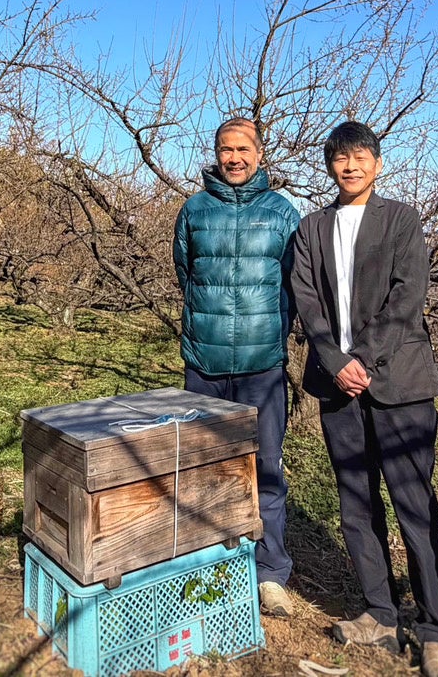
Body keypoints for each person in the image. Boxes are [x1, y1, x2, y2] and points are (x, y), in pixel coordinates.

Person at [291, 121, 438, 677]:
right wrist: (335, 361)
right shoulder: (312, 227)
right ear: (329, 165)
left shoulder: (402, 219)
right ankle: (380, 615)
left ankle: (436, 630)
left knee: (415, 505)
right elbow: (306, 298)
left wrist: (362, 358)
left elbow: (408, 295)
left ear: (377, 163)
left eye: (360, 157)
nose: (350, 167)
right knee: (356, 505)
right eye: (340, 159)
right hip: (338, 386)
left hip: (399, 385)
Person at [173, 116, 299, 618]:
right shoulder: (194, 209)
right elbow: (186, 272)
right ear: (216, 154)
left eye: (244, 148)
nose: (235, 158)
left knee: (265, 468)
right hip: (203, 363)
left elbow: (295, 284)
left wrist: (269, 332)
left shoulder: (283, 213)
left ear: (260, 153)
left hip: (261, 365)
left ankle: (270, 572)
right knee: (203, 468)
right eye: (226, 149)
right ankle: (208, 565)